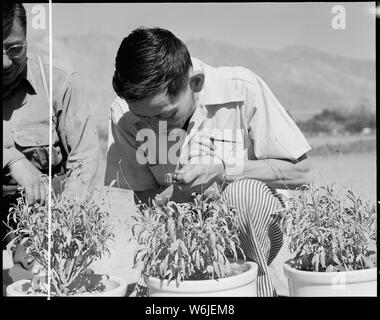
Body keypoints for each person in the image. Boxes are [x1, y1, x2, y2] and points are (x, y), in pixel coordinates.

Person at [105, 27, 311, 297]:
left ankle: (257, 285)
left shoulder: (242, 88)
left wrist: (225, 170)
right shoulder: (123, 114)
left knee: (243, 194)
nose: (156, 127)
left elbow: (301, 171)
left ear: (196, 83)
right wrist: (179, 193)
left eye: (165, 114)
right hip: (179, 239)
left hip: (250, 232)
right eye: (144, 118)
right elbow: (144, 200)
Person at [2, 3, 101, 284]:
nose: (5, 63)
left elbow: (85, 158)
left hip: (44, 214)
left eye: (14, 49)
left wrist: (61, 227)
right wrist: (11, 158)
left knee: (55, 279)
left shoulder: (59, 81)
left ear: (27, 37)